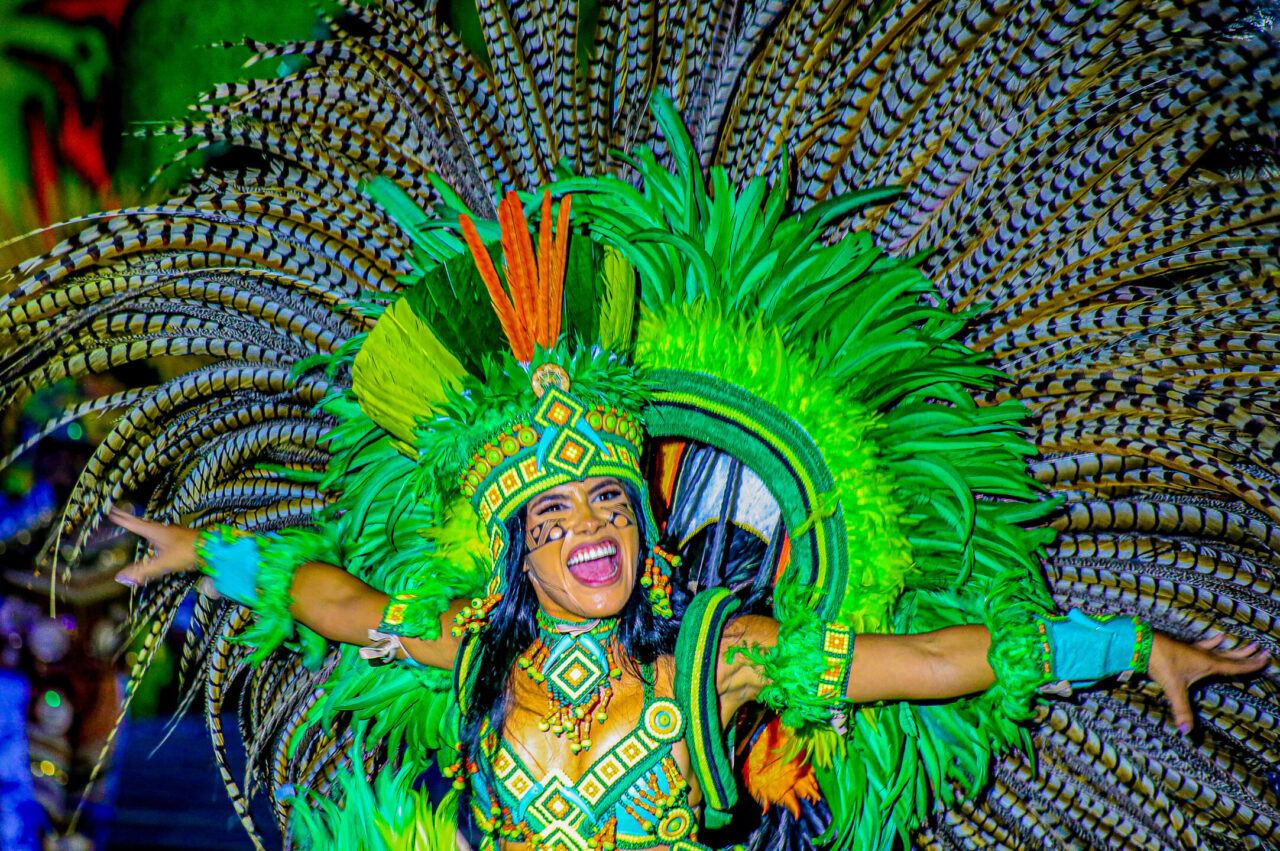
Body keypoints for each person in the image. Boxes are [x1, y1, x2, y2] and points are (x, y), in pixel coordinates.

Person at [110, 467, 1268, 850]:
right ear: (521, 553)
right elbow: (338, 601)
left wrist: (1124, 643)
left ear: (642, 527)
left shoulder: (716, 657)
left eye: (609, 500)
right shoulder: (473, 647)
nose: (589, 525)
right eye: (553, 514)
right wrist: (211, 552)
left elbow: (925, 655)